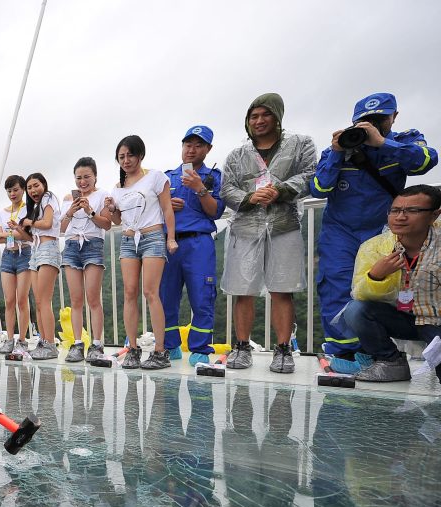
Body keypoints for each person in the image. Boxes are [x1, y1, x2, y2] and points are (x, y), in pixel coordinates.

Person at [310, 93, 438, 372]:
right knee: (335, 286)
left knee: (382, 289)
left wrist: (382, 143)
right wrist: (335, 152)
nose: (372, 126)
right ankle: (343, 353)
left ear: (394, 117)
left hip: (382, 230)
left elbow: (426, 161)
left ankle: (377, 351)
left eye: (380, 119)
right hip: (340, 231)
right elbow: (318, 188)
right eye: (365, 122)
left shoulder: (405, 141)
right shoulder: (338, 148)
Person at [220, 93, 317, 373]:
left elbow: (312, 174)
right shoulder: (238, 155)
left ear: (277, 116)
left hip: (283, 225)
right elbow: (227, 189)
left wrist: (281, 190)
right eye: (254, 116)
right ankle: (241, 345)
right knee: (242, 290)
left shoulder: (300, 145)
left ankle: (284, 348)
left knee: (282, 289)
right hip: (245, 229)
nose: (259, 121)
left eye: (265, 114)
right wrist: (250, 197)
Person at [341, 184, 441, 383]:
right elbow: (358, 294)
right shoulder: (375, 247)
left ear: (434, 215)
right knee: (356, 310)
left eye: (412, 210)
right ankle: (391, 362)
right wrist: (376, 276)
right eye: (395, 210)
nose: (400, 216)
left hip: (436, 320)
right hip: (403, 318)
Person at [105, 135, 178, 370]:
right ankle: (133, 349)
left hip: (153, 236)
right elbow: (118, 220)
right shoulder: (118, 188)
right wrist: (111, 209)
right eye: (121, 157)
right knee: (129, 292)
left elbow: (167, 208)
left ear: (140, 155)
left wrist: (171, 237)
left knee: (150, 292)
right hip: (128, 239)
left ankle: (159, 351)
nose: (126, 160)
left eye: (130, 155)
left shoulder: (155, 177)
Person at [160, 126, 225, 367]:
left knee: (202, 295)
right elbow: (153, 212)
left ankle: (199, 349)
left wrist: (200, 188)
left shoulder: (213, 177)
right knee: (166, 294)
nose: (191, 150)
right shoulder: (167, 178)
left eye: (198, 145)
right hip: (170, 241)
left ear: (208, 149)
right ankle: (169, 345)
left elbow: (215, 211)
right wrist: (166, 206)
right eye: (188, 144)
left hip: (199, 242)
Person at [60, 157, 112, 363]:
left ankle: (97, 344)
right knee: (75, 300)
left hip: (92, 244)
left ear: (95, 176)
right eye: (78, 178)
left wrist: (89, 211)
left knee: (93, 298)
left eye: (86, 177)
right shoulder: (67, 198)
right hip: (71, 246)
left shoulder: (103, 195)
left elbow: (106, 224)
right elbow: (61, 229)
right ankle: (77, 343)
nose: (82, 182)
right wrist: (71, 212)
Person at [21, 172, 61, 360]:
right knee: (38, 301)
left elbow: (48, 223)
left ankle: (51, 344)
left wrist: (30, 222)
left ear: (44, 184)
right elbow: (32, 236)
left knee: (44, 300)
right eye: (29, 188)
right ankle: (43, 341)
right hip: (36, 250)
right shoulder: (36, 205)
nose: (32, 190)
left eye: (35, 185)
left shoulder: (48, 197)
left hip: (48, 248)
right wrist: (22, 228)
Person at [0, 175, 33, 358]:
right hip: (8, 256)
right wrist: (16, 231)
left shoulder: (29, 209)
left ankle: (22, 340)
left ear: (23, 189)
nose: (12, 194)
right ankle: (9, 339)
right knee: (9, 300)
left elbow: (28, 236)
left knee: (22, 300)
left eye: (16, 189)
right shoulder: (3, 212)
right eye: (9, 191)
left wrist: (8, 233)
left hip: (25, 254)